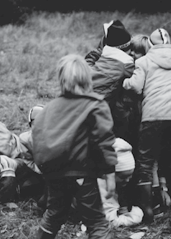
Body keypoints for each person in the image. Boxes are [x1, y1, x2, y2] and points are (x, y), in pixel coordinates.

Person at [32, 54, 117, 239]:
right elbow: (104, 139)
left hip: (54, 173)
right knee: (96, 221)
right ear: (88, 78)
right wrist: (109, 172)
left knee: (54, 214)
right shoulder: (95, 104)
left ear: (61, 79)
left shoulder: (50, 107)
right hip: (82, 172)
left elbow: (36, 134)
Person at [122, 28, 171, 223]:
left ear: (151, 44)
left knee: (146, 160)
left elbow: (137, 86)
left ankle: (148, 210)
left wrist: (125, 82)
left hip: (153, 115)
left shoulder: (143, 61)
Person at [84, 20, 141, 154]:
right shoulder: (126, 65)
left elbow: (87, 67)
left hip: (86, 108)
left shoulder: (102, 60)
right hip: (103, 111)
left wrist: (97, 52)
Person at [97, 137, 144, 227]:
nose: (127, 180)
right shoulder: (102, 187)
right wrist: (136, 215)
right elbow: (109, 221)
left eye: (130, 176)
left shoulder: (118, 185)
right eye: (123, 177)